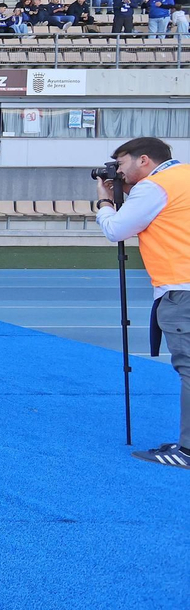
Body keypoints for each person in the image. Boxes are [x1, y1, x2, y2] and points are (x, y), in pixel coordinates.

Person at [94, 137, 190, 466]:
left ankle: (188, 450)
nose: (118, 173)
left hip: (182, 286)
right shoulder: (186, 177)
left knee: (189, 369)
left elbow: (117, 230)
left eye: (121, 166)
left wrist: (105, 203)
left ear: (144, 160)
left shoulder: (155, 186)